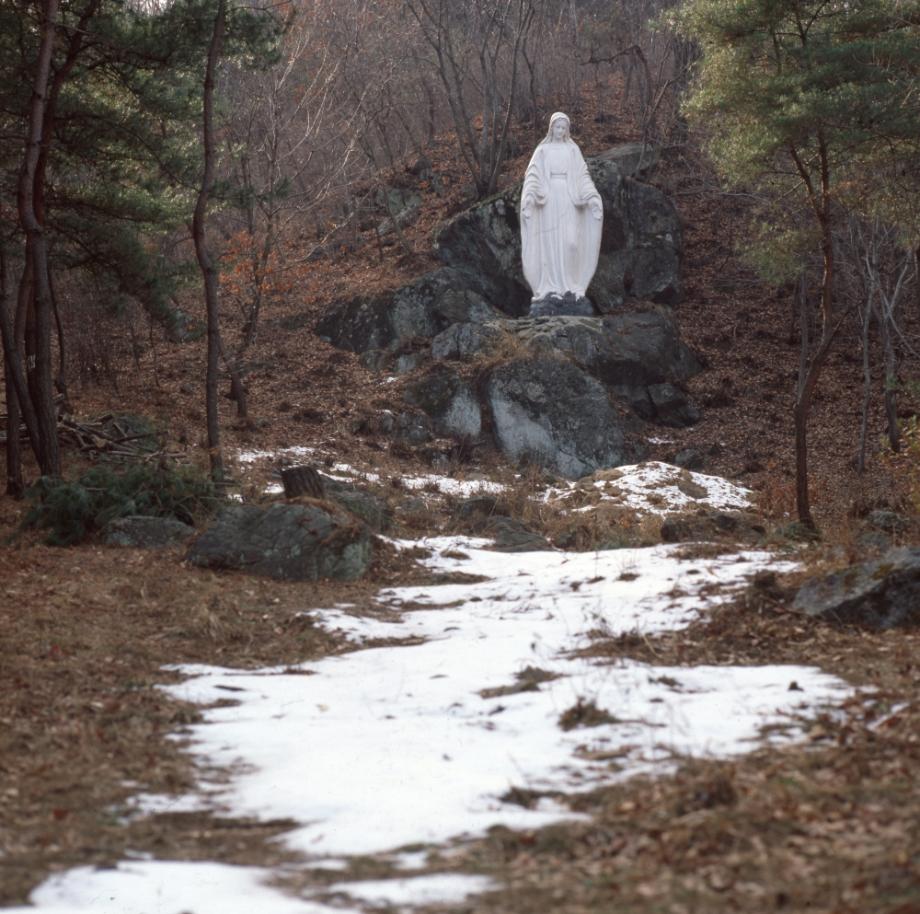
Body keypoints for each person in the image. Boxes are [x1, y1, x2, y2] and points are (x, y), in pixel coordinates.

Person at [520, 112, 603, 313]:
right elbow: (533, 175)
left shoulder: (573, 150)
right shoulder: (542, 150)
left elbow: (583, 176)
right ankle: (551, 288)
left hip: (569, 198)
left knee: (571, 242)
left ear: (567, 130)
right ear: (551, 128)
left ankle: (571, 285)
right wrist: (530, 196)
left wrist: (591, 196)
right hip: (549, 200)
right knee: (550, 244)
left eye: (563, 128)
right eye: (557, 127)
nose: (560, 131)